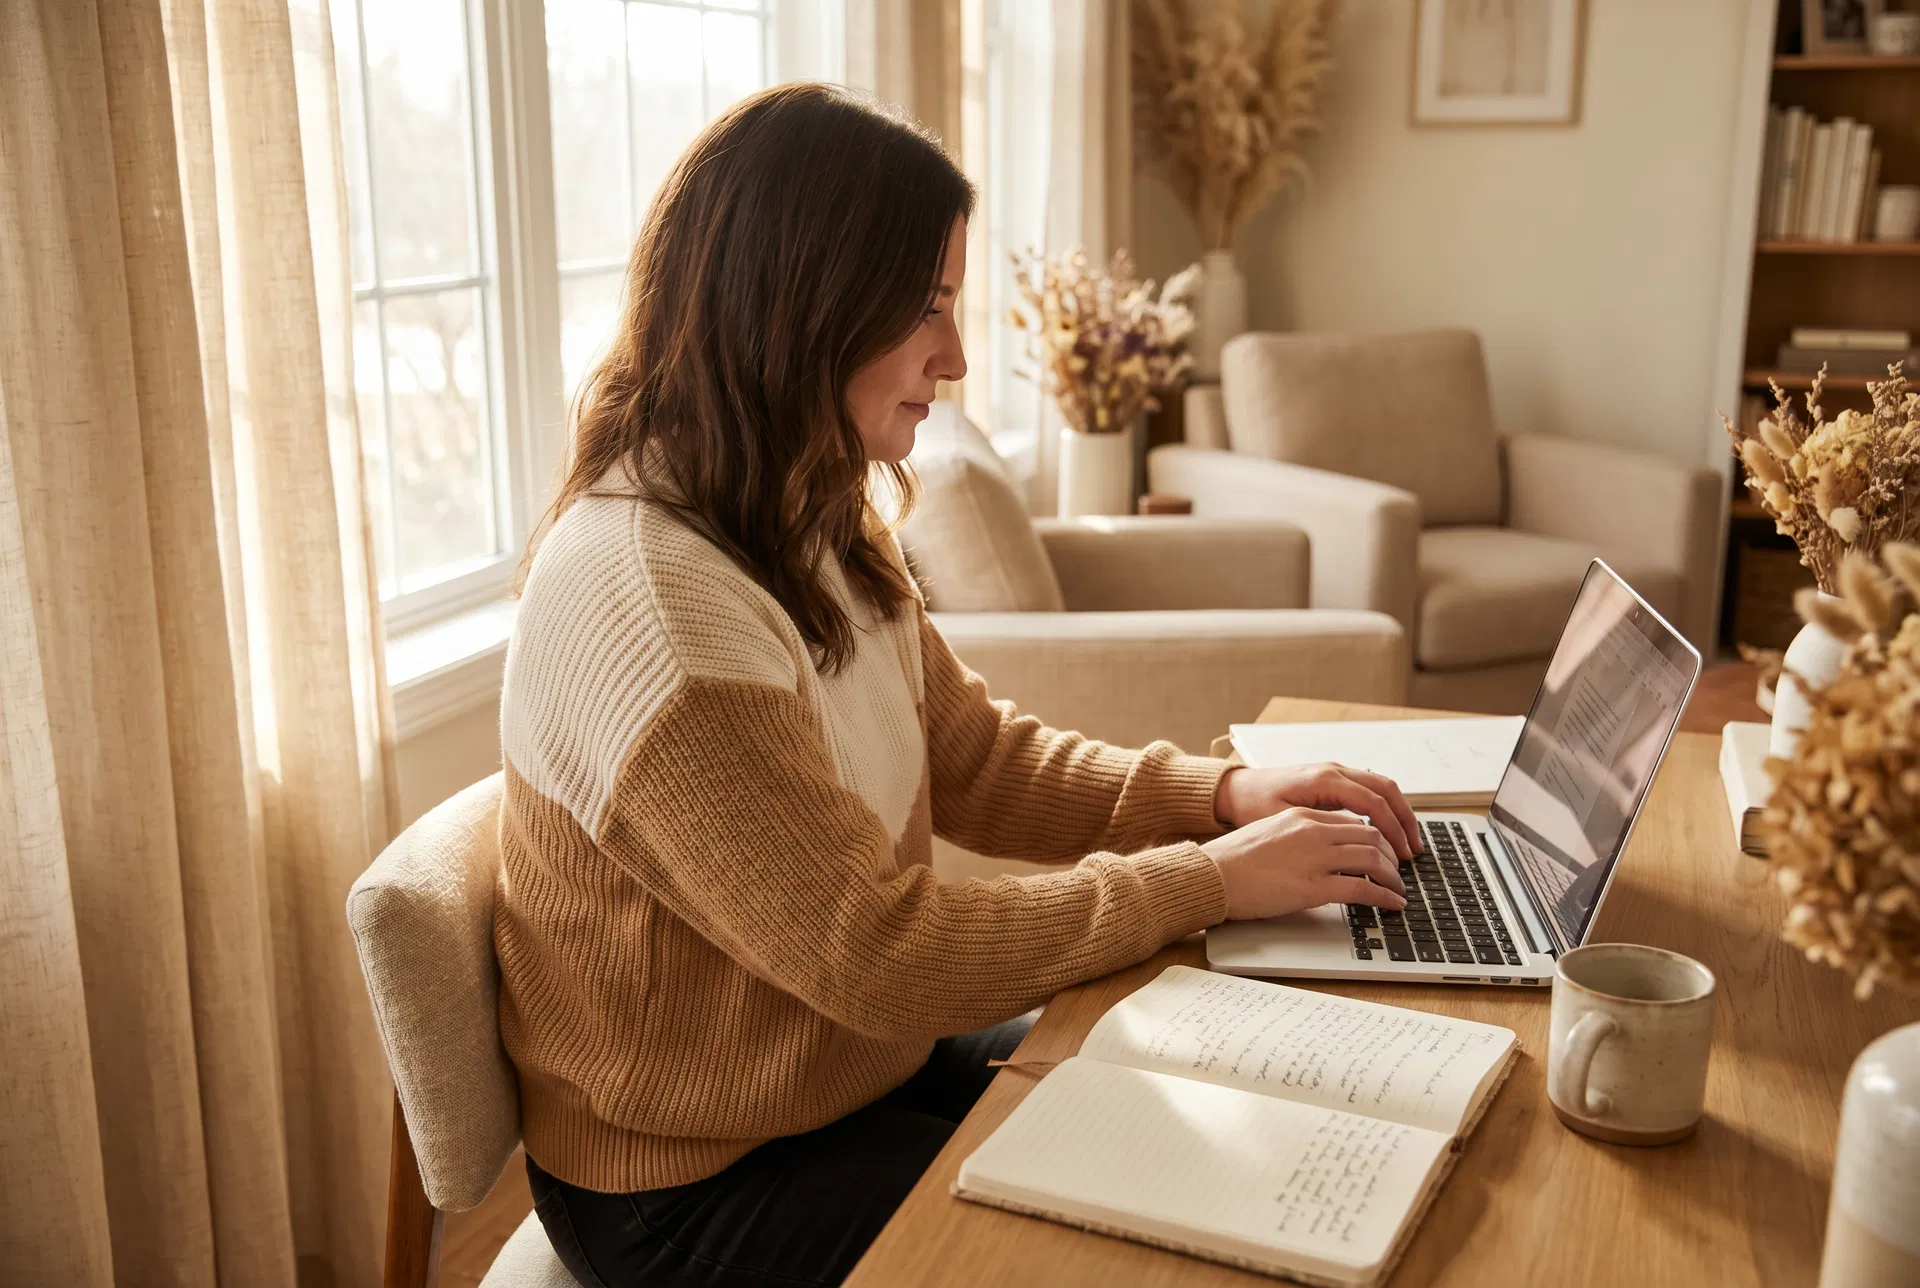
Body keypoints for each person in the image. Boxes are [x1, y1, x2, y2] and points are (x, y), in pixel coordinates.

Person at [497, 81, 1415, 1288]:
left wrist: (1222, 796)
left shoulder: (797, 509)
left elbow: (975, 759)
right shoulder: (656, 599)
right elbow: (873, 951)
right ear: (805, 302)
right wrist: (1204, 879)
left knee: (1215, 1089)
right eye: (926, 307)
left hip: (840, 1070)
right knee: (1151, 1241)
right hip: (692, 1182)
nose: (958, 356)